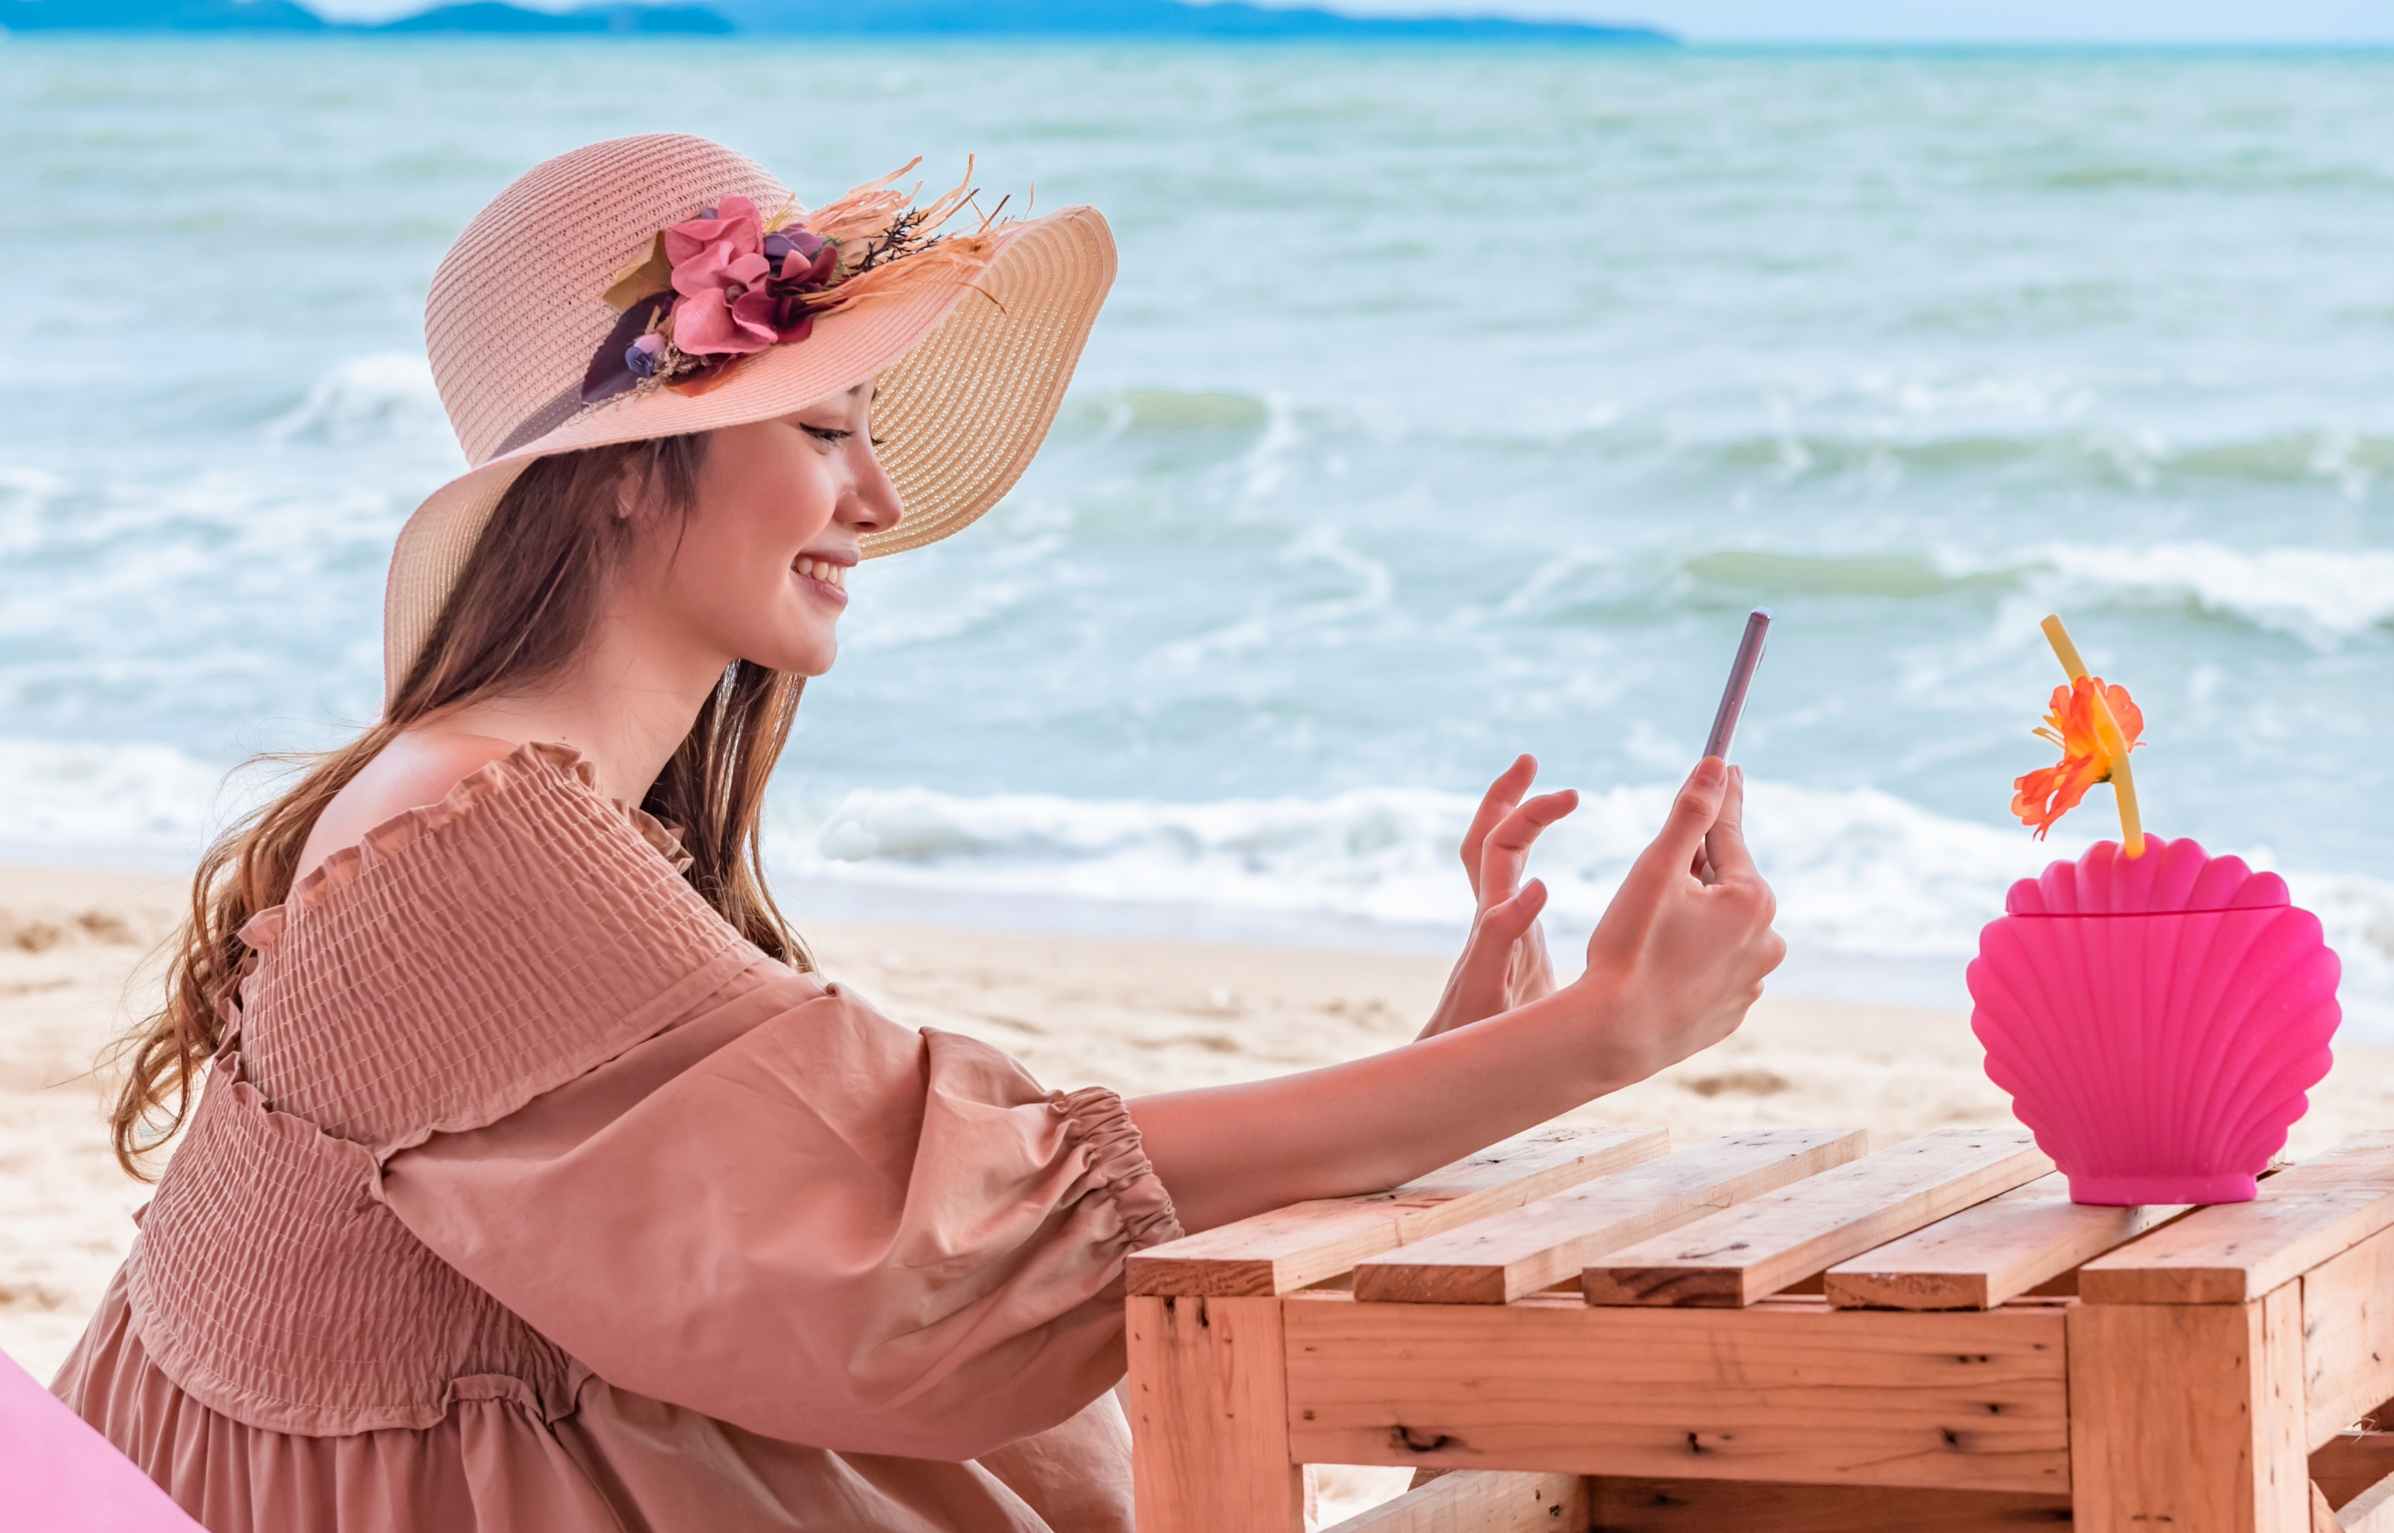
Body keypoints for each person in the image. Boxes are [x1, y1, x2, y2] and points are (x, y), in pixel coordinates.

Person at [51, 132, 1785, 1531]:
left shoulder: (510, 799)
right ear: (630, 471)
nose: (875, 502)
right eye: (822, 429)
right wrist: (1590, 1039)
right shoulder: (477, 844)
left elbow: (919, 1212)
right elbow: (947, 1246)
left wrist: (1459, 1051)